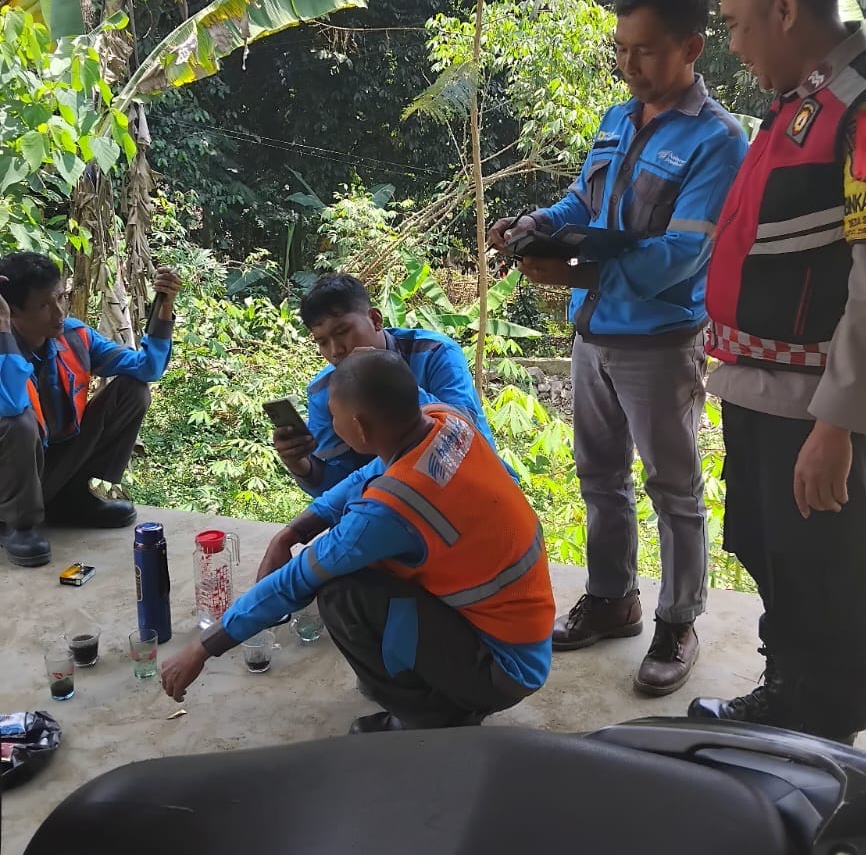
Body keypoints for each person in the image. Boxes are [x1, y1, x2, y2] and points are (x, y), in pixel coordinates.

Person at [488, 0, 748, 695]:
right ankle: (613, 599)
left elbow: (679, 258)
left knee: (673, 487)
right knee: (599, 477)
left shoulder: (718, 141)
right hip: (594, 335)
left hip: (661, 342)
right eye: (621, 50)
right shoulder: (615, 118)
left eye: (647, 52)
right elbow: (584, 199)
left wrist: (572, 271)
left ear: (691, 46)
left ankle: (679, 618)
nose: (630, 66)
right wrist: (537, 224)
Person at [689, 0, 866, 743]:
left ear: (783, 9)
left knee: (825, 578)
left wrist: (839, 426)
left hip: (814, 407)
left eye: (738, 24)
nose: (734, 45)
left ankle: (829, 742)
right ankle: (789, 694)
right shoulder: (799, 102)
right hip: (757, 389)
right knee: (770, 549)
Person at [162, 350, 555, 733]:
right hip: (521, 638)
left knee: (339, 592)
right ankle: (440, 690)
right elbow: (367, 473)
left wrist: (202, 648)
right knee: (371, 569)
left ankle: (432, 719)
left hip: (501, 670)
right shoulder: (444, 421)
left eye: (334, 416)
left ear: (362, 428)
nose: (329, 424)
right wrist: (292, 532)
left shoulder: (389, 512)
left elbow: (297, 579)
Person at [259, 272, 505, 579]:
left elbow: (463, 436)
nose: (336, 350)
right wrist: (301, 465)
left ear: (375, 320)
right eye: (322, 341)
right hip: (396, 512)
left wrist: (385, 381)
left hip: (473, 500)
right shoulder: (326, 393)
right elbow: (341, 483)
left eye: (343, 331)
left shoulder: (434, 354)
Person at [0, 252, 180, 568]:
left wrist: (163, 307)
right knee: (20, 422)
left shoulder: (74, 336)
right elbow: (13, 405)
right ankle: (18, 525)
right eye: (45, 305)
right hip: (9, 485)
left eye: (61, 297)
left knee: (132, 391)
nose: (59, 312)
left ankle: (74, 499)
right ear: (11, 312)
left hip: (55, 465)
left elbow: (148, 368)